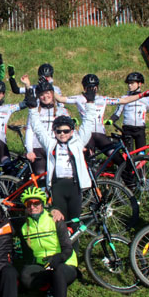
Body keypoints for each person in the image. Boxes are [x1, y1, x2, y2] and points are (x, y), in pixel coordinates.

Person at [24, 87, 97, 227]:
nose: (62, 134)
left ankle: (74, 248)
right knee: (60, 224)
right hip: (57, 187)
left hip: (75, 186)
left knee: (75, 222)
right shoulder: (51, 144)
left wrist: (91, 103)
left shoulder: (78, 142)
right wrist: (33, 109)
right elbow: (37, 128)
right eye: (59, 131)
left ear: (71, 131)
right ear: (54, 132)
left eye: (66, 131)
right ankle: (62, 248)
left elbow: (88, 124)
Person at [18, 186, 79, 297]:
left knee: (57, 272)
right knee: (25, 275)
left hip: (65, 264)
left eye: (36, 203)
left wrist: (58, 259)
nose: (32, 207)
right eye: (29, 204)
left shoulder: (55, 219)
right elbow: (27, 256)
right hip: (44, 265)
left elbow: (67, 248)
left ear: (42, 204)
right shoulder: (25, 227)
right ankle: (50, 288)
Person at [55, 74, 149, 162]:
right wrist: (47, 87)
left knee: (119, 159)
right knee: (89, 162)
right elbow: (59, 99)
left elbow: (124, 100)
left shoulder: (102, 99)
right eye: (88, 87)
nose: (91, 89)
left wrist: (143, 94)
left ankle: (129, 182)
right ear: (84, 87)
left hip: (100, 135)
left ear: (97, 87)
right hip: (87, 135)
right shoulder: (79, 98)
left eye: (93, 87)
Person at [106, 72, 149, 151]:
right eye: (128, 83)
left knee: (141, 157)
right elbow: (117, 113)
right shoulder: (124, 98)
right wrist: (111, 120)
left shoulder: (146, 99)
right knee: (128, 157)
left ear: (139, 84)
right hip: (127, 130)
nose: (129, 85)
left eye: (132, 83)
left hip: (140, 130)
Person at [20, 78, 70, 176]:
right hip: (37, 148)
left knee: (58, 175)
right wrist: (30, 151)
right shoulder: (34, 112)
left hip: (55, 147)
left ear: (52, 93)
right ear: (38, 97)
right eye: (42, 95)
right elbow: (30, 131)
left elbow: (70, 131)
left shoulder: (61, 111)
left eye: (48, 93)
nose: (45, 97)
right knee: (40, 174)